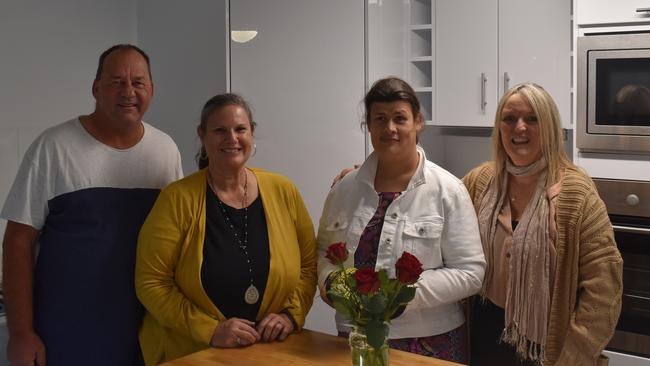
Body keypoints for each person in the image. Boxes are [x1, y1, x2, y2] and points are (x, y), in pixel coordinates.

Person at [1, 44, 183, 366]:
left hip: (145, 333)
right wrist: (20, 333)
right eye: (116, 82)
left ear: (151, 90)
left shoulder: (165, 150)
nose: (128, 92)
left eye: (138, 82)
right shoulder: (54, 147)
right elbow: (17, 242)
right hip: (66, 334)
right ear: (96, 88)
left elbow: (177, 240)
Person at [135, 93, 317, 365]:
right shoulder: (177, 199)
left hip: (269, 352)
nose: (231, 138)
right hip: (192, 352)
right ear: (202, 135)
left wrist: (291, 315)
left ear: (251, 133)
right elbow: (151, 282)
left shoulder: (283, 190)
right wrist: (211, 330)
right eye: (219, 130)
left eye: (240, 129)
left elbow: (309, 264)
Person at [316, 77, 486, 364]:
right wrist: (331, 284)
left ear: (418, 122)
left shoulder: (448, 190)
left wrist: (396, 295)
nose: (390, 128)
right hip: (355, 336)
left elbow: (470, 273)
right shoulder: (344, 189)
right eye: (380, 119)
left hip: (430, 340)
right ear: (368, 126)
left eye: (399, 118)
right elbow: (323, 252)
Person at [462, 83, 623, 365]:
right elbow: (440, 218)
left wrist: (574, 356)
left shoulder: (576, 193)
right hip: (481, 335)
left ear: (549, 126)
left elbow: (604, 287)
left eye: (532, 118)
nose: (519, 128)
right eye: (509, 118)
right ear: (499, 127)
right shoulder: (480, 182)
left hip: (547, 346)